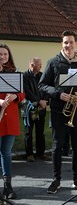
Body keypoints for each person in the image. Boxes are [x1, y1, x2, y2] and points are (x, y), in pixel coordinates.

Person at [38, 30, 77, 194]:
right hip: (57, 110)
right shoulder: (53, 62)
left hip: (75, 112)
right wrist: (57, 93)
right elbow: (42, 85)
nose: (68, 45)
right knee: (57, 146)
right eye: (65, 43)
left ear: (76, 43)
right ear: (62, 44)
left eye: (71, 42)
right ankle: (56, 180)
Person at [0, 44, 25, 199]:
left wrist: (17, 96)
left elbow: (22, 93)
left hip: (10, 119)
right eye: (0, 54)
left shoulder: (14, 73)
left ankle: (8, 186)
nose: (2, 57)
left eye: (5, 54)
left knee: (6, 153)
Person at [23, 57, 50, 162]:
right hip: (28, 107)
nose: (41, 67)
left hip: (41, 107)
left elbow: (46, 89)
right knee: (28, 132)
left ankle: (41, 153)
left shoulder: (42, 75)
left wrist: (44, 101)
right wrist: (39, 101)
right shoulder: (24, 76)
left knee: (40, 131)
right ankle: (29, 154)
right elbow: (27, 92)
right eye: (39, 65)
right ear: (32, 65)